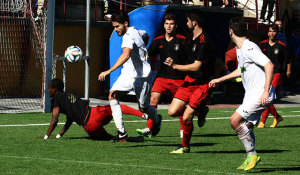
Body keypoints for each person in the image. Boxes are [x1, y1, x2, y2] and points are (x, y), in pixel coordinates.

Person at [209, 17, 276, 171]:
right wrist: (221, 79)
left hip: (260, 94)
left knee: (234, 121)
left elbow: (269, 65)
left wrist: (265, 91)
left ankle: (252, 155)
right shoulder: (240, 49)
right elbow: (242, 70)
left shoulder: (249, 47)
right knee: (247, 127)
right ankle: (250, 157)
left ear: (231, 32)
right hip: (252, 94)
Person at [98, 11, 161, 142]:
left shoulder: (128, 36)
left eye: (117, 27)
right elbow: (146, 35)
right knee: (112, 95)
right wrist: (144, 50)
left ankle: (156, 119)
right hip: (128, 73)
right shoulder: (136, 30)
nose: (115, 30)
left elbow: (125, 55)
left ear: (125, 23)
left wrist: (108, 71)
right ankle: (121, 132)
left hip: (141, 76)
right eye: (114, 27)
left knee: (143, 107)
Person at [164, 10, 216, 154]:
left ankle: (185, 146)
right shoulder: (189, 38)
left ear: (194, 22)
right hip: (189, 81)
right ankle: (201, 110)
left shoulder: (204, 41)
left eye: (187, 21)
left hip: (203, 84)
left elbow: (196, 66)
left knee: (187, 117)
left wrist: (175, 66)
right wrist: (173, 60)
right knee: (172, 112)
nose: (186, 23)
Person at [43, 78, 146, 141]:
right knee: (117, 107)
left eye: (49, 88)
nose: (48, 90)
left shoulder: (57, 100)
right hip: (95, 113)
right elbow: (70, 118)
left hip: (90, 127)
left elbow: (55, 120)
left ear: (54, 90)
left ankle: (132, 139)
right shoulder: (70, 95)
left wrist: (46, 136)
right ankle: (142, 115)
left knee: (111, 138)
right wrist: (60, 134)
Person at [136, 13, 186, 138]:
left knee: (180, 106)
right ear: (164, 25)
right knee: (152, 100)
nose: (169, 26)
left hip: (178, 78)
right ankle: (150, 127)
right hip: (162, 77)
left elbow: (189, 59)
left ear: (176, 26)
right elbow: (147, 55)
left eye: (172, 24)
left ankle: (183, 129)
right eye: (167, 24)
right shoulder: (158, 40)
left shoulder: (183, 40)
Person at [257, 23, 291, 128]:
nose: (272, 33)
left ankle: (262, 121)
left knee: (268, 97)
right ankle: (277, 117)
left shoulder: (282, 46)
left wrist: (288, 71)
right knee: (265, 98)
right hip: (264, 74)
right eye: (270, 31)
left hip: (277, 74)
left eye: (274, 31)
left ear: (277, 33)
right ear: (267, 33)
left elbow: (288, 60)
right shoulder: (262, 44)